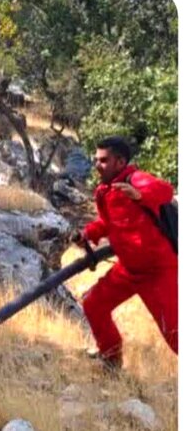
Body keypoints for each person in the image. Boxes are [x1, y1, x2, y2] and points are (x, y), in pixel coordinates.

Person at [73, 136, 177, 368]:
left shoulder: (136, 179)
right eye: (96, 160)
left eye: (103, 160)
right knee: (93, 304)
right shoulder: (105, 190)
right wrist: (88, 233)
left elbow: (165, 191)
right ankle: (110, 361)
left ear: (120, 162)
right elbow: (108, 223)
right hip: (128, 271)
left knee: (176, 335)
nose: (97, 165)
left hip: (158, 273)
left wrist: (139, 195)